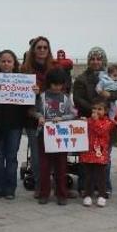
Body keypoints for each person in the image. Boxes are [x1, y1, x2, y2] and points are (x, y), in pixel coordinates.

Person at [72, 47, 117, 197]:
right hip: (87, 122)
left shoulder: (111, 76)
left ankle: (104, 187)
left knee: (104, 155)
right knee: (85, 156)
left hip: (106, 122)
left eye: (98, 59)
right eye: (92, 59)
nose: (95, 62)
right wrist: (96, 110)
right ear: (88, 61)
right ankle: (84, 187)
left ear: (103, 61)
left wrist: (109, 97)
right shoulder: (81, 78)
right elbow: (78, 99)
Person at [33, 68, 76, 205]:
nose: (57, 87)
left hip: (60, 137)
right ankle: (44, 193)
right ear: (49, 83)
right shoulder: (42, 96)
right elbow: (35, 111)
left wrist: (62, 118)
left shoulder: (66, 98)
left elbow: (73, 114)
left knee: (61, 166)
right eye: (54, 84)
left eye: (60, 84)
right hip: (44, 135)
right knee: (44, 167)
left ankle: (61, 194)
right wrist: (39, 117)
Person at [0, 50, 28, 200]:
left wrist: (34, 92)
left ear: (14, 63)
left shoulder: (22, 80)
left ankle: (10, 188)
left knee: (11, 157)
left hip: (15, 126)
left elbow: (26, 103)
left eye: (9, 61)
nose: (6, 64)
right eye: (3, 61)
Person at [19, 36, 56, 193]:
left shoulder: (54, 69)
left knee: (52, 151)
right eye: (39, 47)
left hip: (52, 116)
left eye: (44, 47)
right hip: (32, 116)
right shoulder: (24, 70)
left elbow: (63, 90)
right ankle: (40, 185)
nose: (42, 50)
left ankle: (49, 181)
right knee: (35, 153)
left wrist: (42, 90)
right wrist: (30, 92)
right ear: (33, 49)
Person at [79, 101, 117, 208]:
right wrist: (82, 122)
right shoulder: (88, 121)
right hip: (88, 152)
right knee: (89, 175)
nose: (96, 112)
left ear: (105, 111)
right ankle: (87, 195)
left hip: (100, 153)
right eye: (94, 109)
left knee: (101, 176)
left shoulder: (108, 122)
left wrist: (93, 121)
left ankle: (102, 195)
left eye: (99, 109)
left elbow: (101, 130)